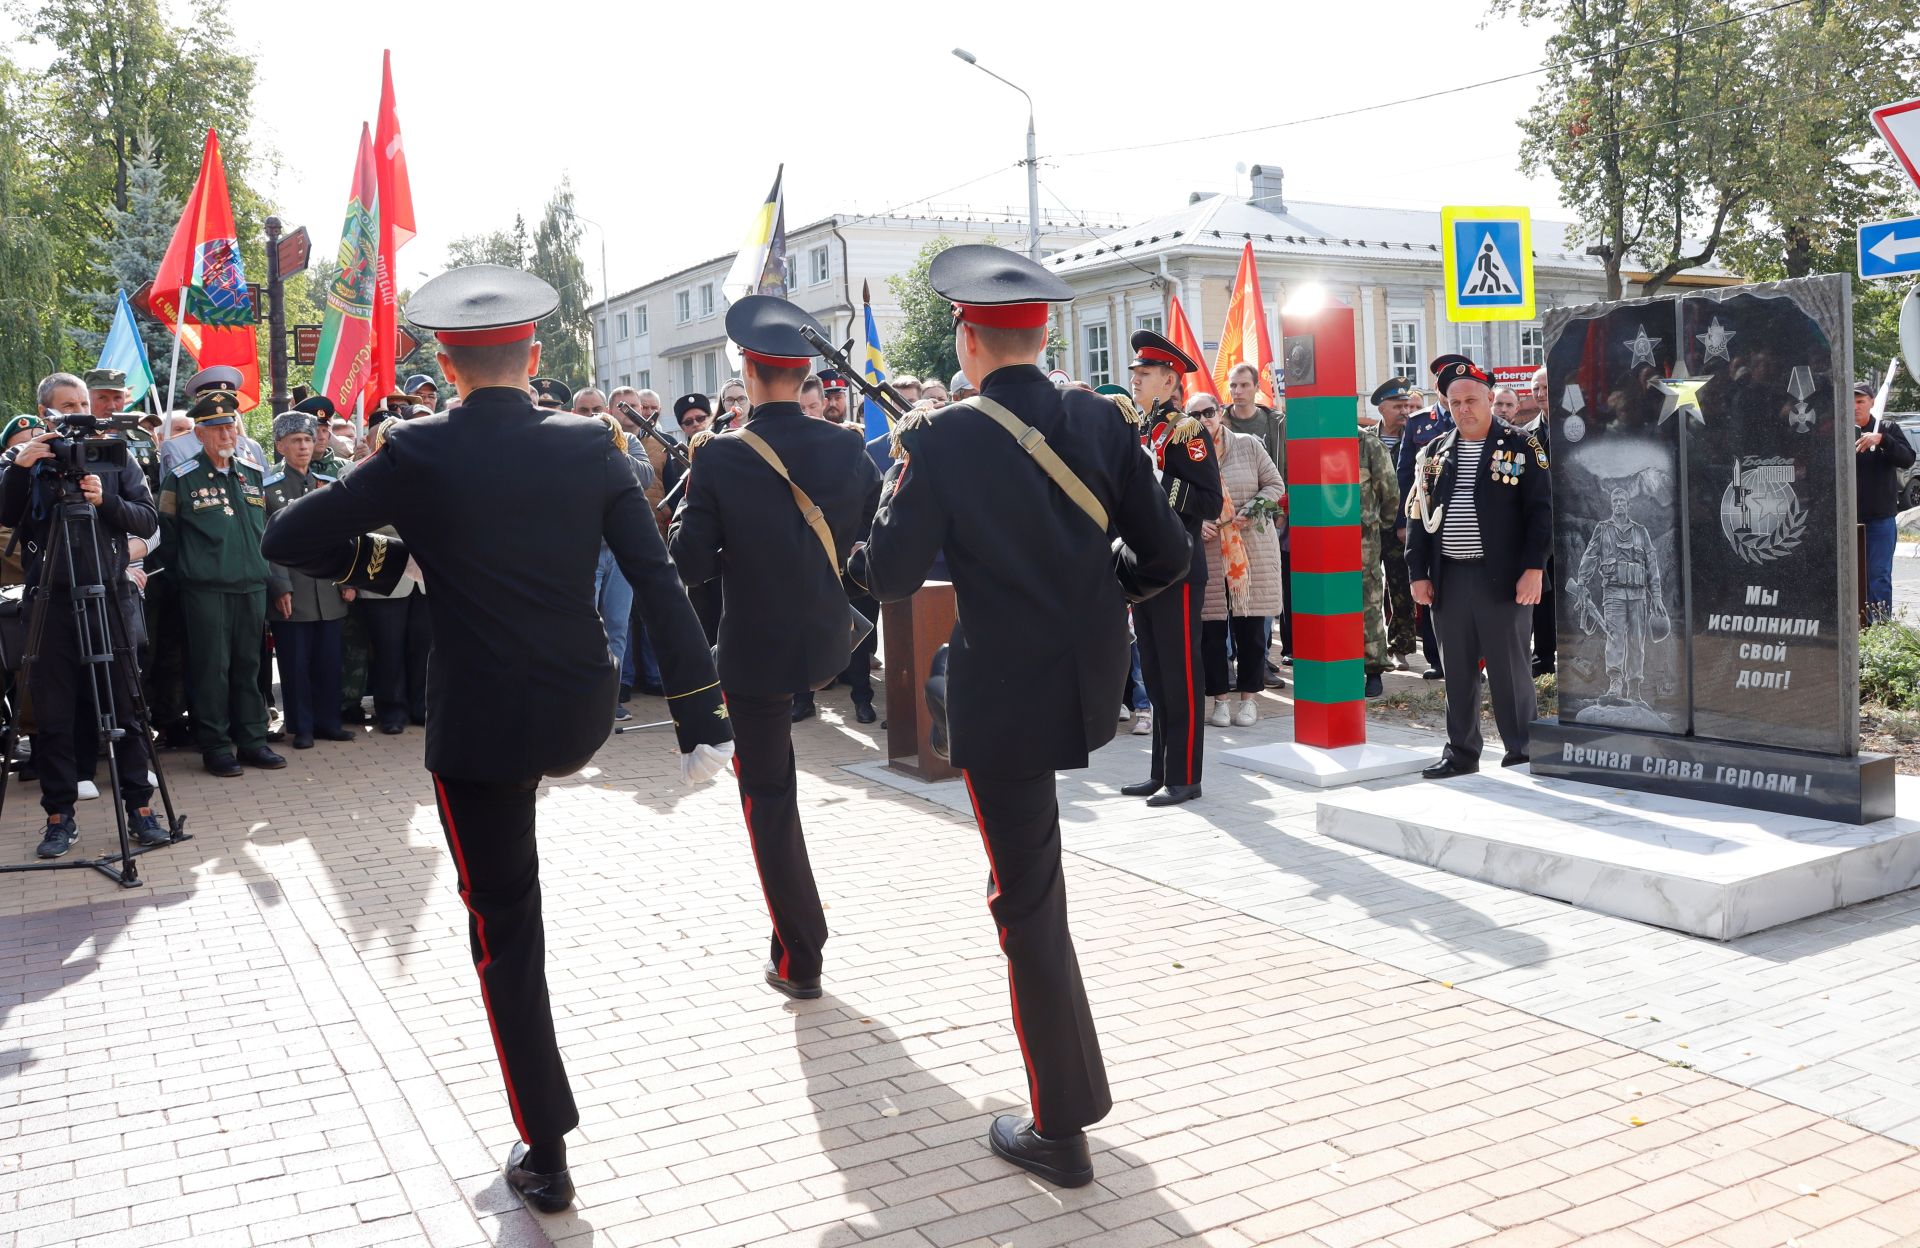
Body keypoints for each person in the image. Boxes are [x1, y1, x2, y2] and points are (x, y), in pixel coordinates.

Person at [261, 264, 733, 1216]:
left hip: (478, 724)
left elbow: (290, 538)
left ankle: (547, 1150)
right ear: (535, 355)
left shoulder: (415, 449)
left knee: (506, 930)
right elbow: (660, 580)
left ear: (444, 360)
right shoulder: (592, 444)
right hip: (579, 710)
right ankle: (546, 1139)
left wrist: (394, 558)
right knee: (518, 886)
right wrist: (699, 714)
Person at [847, 244, 1190, 1189]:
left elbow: (889, 577)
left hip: (1003, 694)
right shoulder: (1101, 418)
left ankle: (1060, 1125)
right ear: (1042, 335)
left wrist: (881, 499)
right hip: (1087, 681)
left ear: (967, 337)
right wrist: (1102, 593)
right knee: (1033, 895)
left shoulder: (943, 437)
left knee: (1025, 903)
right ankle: (1063, 1105)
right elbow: (1166, 558)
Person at [669, 294, 882, 1000]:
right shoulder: (850, 445)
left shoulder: (721, 456)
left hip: (754, 650)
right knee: (776, 800)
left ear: (749, 372)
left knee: (770, 800)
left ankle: (800, 955)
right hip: (827, 640)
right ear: (803, 375)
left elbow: (692, 564)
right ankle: (793, 933)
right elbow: (870, 536)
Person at [2, 374, 166, 858]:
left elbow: (148, 519)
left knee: (128, 707)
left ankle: (141, 811)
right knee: (53, 715)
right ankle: (59, 817)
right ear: (45, 411)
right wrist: (19, 466)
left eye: (80, 402)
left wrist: (105, 499)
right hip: (50, 601)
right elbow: (7, 514)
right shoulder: (28, 458)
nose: (76, 410)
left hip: (108, 595)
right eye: (65, 404)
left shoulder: (114, 454)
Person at [1407, 355, 1551, 778]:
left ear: (1490, 398)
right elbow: (1418, 513)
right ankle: (1462, 752)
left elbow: (1542, 513)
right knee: (1457, 670)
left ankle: (1523, 750)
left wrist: (1533, 569)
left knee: (1510, 669)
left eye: (1472, 399)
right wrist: (1417, 572)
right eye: (1455, 403)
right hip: (1449, 577)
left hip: (1503, 579)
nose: (1464, 409)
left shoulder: (1523, 445)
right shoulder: (1435, 451)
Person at [156, 371, 285, 777]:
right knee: (211, 670)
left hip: (250, 586)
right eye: (216, 427)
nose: (227, 433)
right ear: (200, 433)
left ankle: (252, 741)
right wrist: (189, 579)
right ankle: (215, 746)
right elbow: (169, 539)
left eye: (230, 424)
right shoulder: (181, 479)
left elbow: (265, 529)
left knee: (249, 667)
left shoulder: (250, 473)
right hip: (205, 590)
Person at [1120, 330, 1220, 807]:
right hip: (1145, 565)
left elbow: (1209, 499)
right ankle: (1159, 771)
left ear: (1169, 380)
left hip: (1178, 565)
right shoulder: (1142, 430)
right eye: (1134, 374)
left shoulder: (1188, 431)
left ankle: (1186, 776)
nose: (1135, 381)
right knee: (1156, 674)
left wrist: (1160, 481)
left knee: (1180, 675)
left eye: (1144, 375)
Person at [262, 410, 354, 750]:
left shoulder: (326, 485)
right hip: (293, 589)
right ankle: (301, 726)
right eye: (296, 440)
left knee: (329, 660)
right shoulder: (268, 488)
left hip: (328, 588)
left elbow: (342, 536)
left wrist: (348, 577)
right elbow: (266, 542)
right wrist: (279, 584)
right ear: (280, 446)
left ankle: (329, 722)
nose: (304, 446)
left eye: (308, 438)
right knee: (295, 662)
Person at [1191, 393, 1282, 727]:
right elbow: (1178, 501)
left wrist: (1252, 510)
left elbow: (1274, 484)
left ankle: (1249, 699)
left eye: (1209, 411)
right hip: (1210, 553)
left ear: (1221, 412)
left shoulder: (1247, 444)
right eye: (1195, 414)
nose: (1204, 419)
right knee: (1212, 632)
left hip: (1251, 549)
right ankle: (1219, 701)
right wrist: (1196, 523)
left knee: (1252, 631)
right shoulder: (1188, 454)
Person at [1397, 386, 1456, 681]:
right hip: (1429, 517)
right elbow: (1406, 475)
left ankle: (1474, 661)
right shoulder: (1419, 422)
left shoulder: (1476, 417)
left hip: (1464, 520)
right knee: (1433, 587)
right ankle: (1436, 658)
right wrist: (1402, 522)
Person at [1855, 379, 1914, 622]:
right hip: (1846, 517)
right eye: (1851, 402)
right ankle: (1853, 627)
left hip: (1880, 518)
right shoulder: (1838, 429)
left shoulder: (1887, 428)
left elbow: (1908, 459)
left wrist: (1882, 440)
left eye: (1860, 402)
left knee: (1878, 575)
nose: (1855, 407)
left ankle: (1879, 628)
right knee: (1850, 576)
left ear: (1872, 403)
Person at [1370, 378, 1419, 668]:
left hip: (1402, 525)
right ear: (1381, 408)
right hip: (1369, 526)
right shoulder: (1364, 438)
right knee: (1371, 586)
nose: (1404, 412)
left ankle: (1401, 644)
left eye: (1407, 406)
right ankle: (1371, 644)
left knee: (1401, 585)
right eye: (1398, 406)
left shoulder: (1413, 441)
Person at [1358, 417, 1400, 699]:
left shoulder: (1368, 445)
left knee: (1368, 604)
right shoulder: (1311, 442)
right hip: (1322, 542)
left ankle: (1373, 669)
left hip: (1362, 542)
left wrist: (1378, 527)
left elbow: (1390, 493)